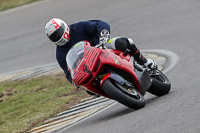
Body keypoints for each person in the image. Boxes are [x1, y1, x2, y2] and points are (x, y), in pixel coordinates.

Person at [45, 18, 156, 85]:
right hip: (88, 68)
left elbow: (100, 24)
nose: (57, 37)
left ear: (63, 28)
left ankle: (145, 62)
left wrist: (103, 35)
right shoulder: (59, 54)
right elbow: (67, 71)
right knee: (89, 88)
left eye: (57, 34)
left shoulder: (78, 27)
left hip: (102, 48)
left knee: (125, 42)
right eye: (53, 37)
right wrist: (74, 81)